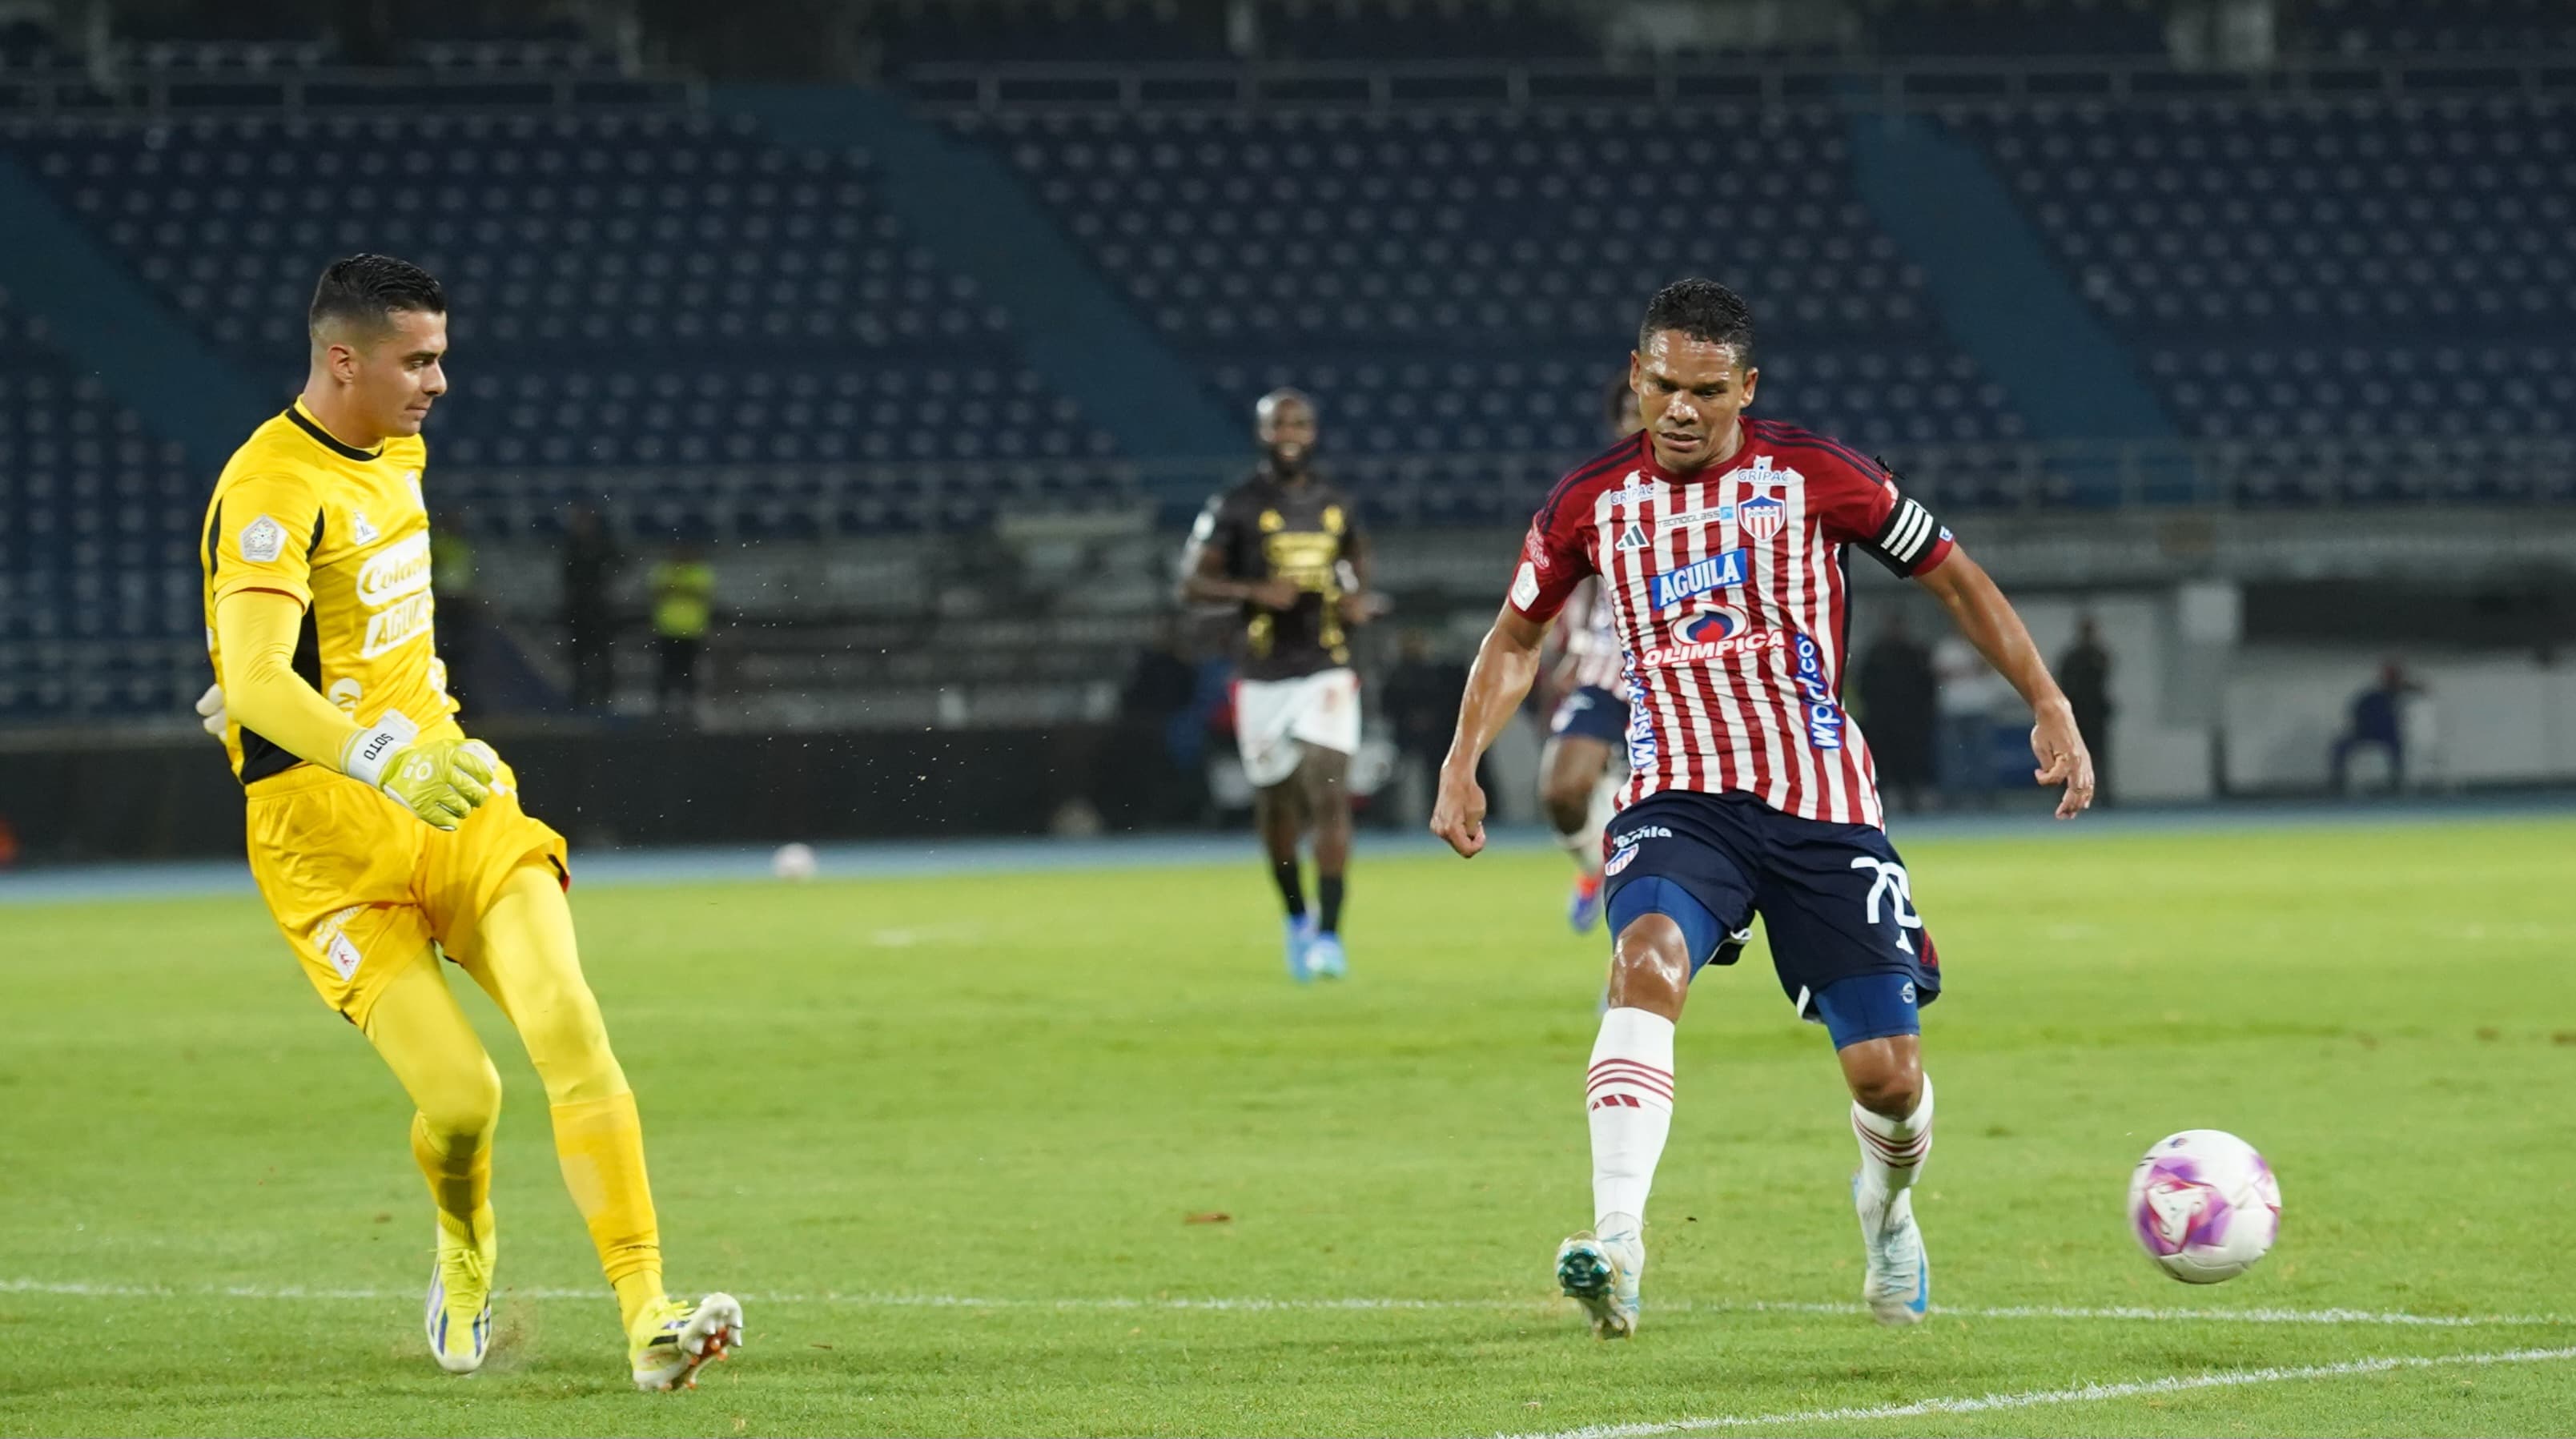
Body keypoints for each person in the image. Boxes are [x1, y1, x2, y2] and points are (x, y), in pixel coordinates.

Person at [1430, 279, 2094, 1340]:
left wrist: (2049, 701)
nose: (1680, 410)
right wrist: (1463, 757)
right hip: (1676, 800)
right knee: (1643, 957)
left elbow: (1955, 577)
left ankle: (1886, 1212)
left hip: (1819, 805)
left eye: (1704, 390)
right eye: (1661, 386)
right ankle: (1619, 1245)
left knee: (1887, 1077)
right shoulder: (1588, 502)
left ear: (1745, 387)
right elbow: (1515, 637)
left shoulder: (1818, 473)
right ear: (1637, 378)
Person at [191, 255, 741, 1388]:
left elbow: (319, 645)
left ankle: (649, 1315)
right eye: (419, 359)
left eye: (441, 355)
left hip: (455, 797)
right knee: (462, 1101)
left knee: (570, 1026)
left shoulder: (399, 446)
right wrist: (336, 732)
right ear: (343, 358)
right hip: (327, 844)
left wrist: (376, 723)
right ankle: (463, 1247)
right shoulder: (270, 488)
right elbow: (255, 682)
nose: (441, 380)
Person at [1179, 388, 1382, 982]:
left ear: (1313, 432)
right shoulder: (1236, 504)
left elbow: (1355, 561)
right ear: (1262, 433)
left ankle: (1329, 934)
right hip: (1263, 673)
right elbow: (1192, 581)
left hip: (1326, 663)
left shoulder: (1335, 502)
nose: (1289, 431)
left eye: (1299, 422)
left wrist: (1354, 600)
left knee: (1327, 788)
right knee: (1276, 803)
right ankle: (1295, 914)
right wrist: (1252, 592)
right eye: (1278, 423)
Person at [1537, 374, 1649, 931]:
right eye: (1629, 410)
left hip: (1683, 672)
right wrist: (1575, 645)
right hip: (1608, 662)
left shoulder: (1716, 483)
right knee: (1561, 790)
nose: (1640, 418)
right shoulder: (1598, 492)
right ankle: (1591, 868)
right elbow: (1576, 578)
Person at [1381, 628, 1470, 828]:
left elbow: (1448, 701)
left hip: (1436, 735)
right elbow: (1388, 704)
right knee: (1398, 776)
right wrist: (1409, 719)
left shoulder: (1438, 672)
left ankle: (1441, 815)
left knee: (1437, 776)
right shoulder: (1397, 673)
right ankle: (1394, 818)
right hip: (1404, 734)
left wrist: (1433, 719)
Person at [1855, 611, 1937, 814]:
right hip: (1883, 717)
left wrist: (1924, 711)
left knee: (1914, 755)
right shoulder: (1875, 654)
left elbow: (1927, 684)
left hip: (1912, 717)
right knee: (1886, 757)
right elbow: (1864, 685)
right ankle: (1891, 793)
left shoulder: (1915, 653)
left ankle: (1918, 792)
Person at [563, 504, 621, 710]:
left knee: (602, 654)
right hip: (579, 607)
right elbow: (567, 577)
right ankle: (580, 697)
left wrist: (607, 582)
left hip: (599, 607)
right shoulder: (572, 546)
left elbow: (621, 564)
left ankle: (604, 697)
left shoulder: (602, 544)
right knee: (579, 654)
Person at [2331, 661, 2416, 794]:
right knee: (2340, 745)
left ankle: (2396, 782)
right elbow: (2355, 713)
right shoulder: (2371, 697)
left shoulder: (2400, 695)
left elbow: (2415, 691)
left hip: (2387, 735)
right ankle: (2338, 782)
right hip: (2364, 733)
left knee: (2397, 747)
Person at [2057, 615, 2115, 806]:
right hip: (2077, 714)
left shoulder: (2099, 655)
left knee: (2098, 757)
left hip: (2095, 714)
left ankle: (2100, 794)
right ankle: (2072, 794)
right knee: (2072, 757)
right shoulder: (2072, 657)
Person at [650, 545, 713, 718]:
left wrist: (675, 588)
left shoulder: (700, 572)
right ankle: (663, 705)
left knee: (689, 669)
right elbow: (656, 593)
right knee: (666, 668)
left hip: (691, 630)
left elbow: (703, 594)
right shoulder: (663, 570)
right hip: (668, 628)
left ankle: (688, 703)